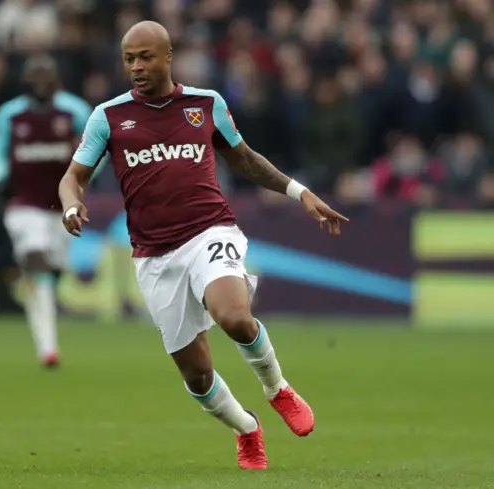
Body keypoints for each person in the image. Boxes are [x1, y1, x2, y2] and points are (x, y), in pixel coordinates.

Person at [59, 22, 348, 469]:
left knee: (233, 316)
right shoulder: (108, 117)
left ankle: (278, 389)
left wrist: (300, 193)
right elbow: (73, 176)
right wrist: (70, 205)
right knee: (197, 377)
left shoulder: (205, 104)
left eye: (145, 57)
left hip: (210, 231)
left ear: (168, 55)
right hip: (154, 256)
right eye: (129, 59)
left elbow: (246, 159)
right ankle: (247, 429)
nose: (136, 67)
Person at [0, 54, 94, 368]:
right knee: (38, 261)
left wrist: (82, 184)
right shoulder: (9, 115)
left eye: (47, 77)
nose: (41, 84)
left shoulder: (75, 111)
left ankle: (40, 309)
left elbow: (92, 152)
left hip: (61, 207)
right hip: (24, 205)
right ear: (25, 81)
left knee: (52, 271)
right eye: (36, 77)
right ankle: (48, 348)